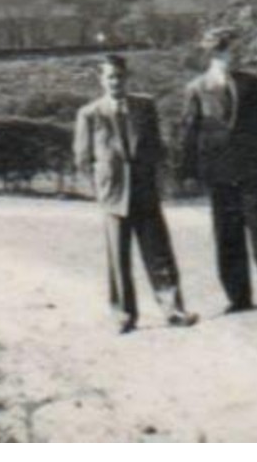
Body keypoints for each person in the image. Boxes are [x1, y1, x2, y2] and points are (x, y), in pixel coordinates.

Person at [74, 54, 198, 334]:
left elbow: (157, 147)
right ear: (101, 80)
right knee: (119, 258)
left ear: (126, 77)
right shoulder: (90, 113)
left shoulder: (144, 106)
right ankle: (123, 315)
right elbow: (83, 159)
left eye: (119, 76)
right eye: (109, 77)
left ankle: (173, 310)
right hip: (114, 195)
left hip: (145, 191)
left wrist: (161, 182)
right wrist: (100, 192)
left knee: (159, 254)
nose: (115, 82)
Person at [180, 26, 257, 313]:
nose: (223, 57)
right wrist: (189, 171)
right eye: (217, 52)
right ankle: (238, 296)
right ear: (208, 55)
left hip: (251, 168)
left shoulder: (251, 83)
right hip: (219, 173)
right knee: (227, 235)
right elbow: (190, 132)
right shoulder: (196, 88)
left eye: (227, 50)